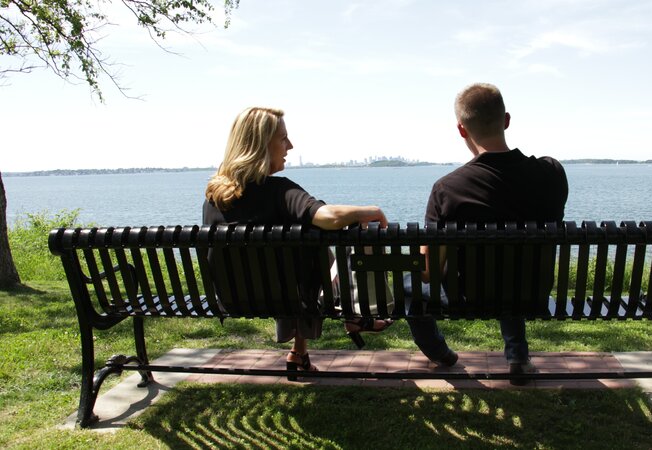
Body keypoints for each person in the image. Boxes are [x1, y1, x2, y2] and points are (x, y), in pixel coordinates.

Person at [203, 106, 392, 377]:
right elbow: (327, 216)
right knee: (314, 247)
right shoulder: (281, 191)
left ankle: (299, 352)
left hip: (234, 300)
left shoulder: (214, 198)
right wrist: (370, 211)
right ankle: (355, 313)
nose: (290, 146)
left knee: (299, 249)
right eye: (283, 138)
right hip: (290, 299)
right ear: (260, 145)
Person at [408, 83, 569, 384]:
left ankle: (440, 353)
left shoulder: (447, 190)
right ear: (506, 120)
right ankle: (518, 357)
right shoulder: (552, 173)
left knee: (411, 286)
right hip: (530, 292)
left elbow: (428, 273)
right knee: (511, 268)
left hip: (469, 298)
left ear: (461, 130)